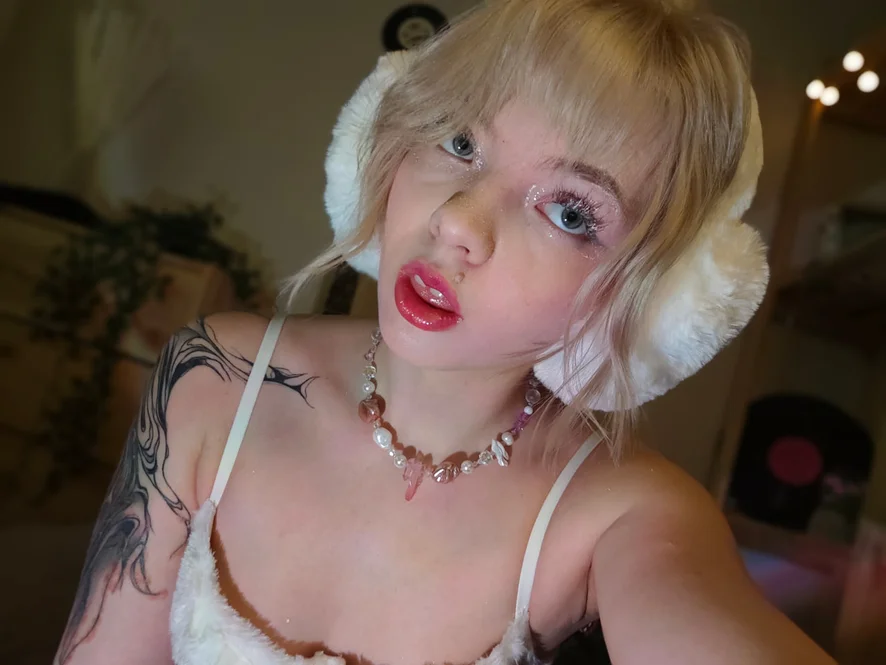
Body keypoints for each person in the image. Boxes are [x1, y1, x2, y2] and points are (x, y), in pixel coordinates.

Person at [55, 1, 836, 663]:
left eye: (570, 211)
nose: (459, 221)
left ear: (658, 297)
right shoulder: (214, 377)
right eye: (461, 142)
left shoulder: (626, 514)